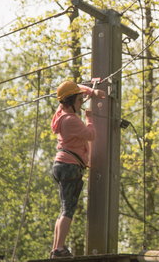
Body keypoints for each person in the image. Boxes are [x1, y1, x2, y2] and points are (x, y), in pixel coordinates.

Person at [50, 80, 105, 258]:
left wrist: (92, 92)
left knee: (65, 208)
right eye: (79, 101)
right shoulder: (71, 121)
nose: (81, 104)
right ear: (71, 101)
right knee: (68, 210)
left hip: (62, 165)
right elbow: (91, 135)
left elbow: (76, 90)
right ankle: (58, 249)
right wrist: (90, 118)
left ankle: (57, 248)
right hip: (70, 167)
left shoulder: (61, 113)